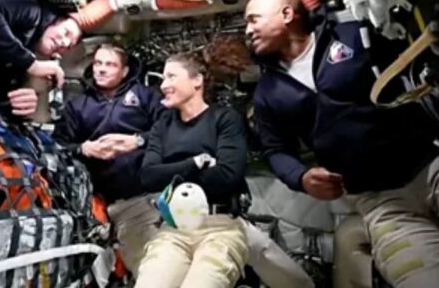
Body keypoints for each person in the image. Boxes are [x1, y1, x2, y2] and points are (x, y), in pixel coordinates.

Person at [246, 0, 439, 287]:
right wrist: (301, 177)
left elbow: (429, 68)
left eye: (253, 19)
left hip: (438, 167)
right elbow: (275, 151)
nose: (247, 30)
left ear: (286, 14)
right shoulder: (267, 93)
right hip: (380, 201)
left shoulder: (354, 36)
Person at [134, 53, 313, 288]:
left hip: (219, 227)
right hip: (173, 229)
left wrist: (171, 175)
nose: (163, 85)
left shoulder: (225, 119)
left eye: (171, 76)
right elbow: (148, 177)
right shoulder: (162, 126)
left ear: (196, 81)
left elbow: (227, 177)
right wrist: (196, 163)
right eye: (162, 79)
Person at [54, 43, 166, 274]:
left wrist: (137, 141)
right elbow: (58, 146)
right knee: (146, 270)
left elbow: (170, 131)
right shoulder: (78, 106)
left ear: (124, 71)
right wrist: (84, 148)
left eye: (110, 64)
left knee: (169, 265)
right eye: (98, 63)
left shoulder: (145, 97)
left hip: (154, 195)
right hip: (113, 204)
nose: (102, 69)